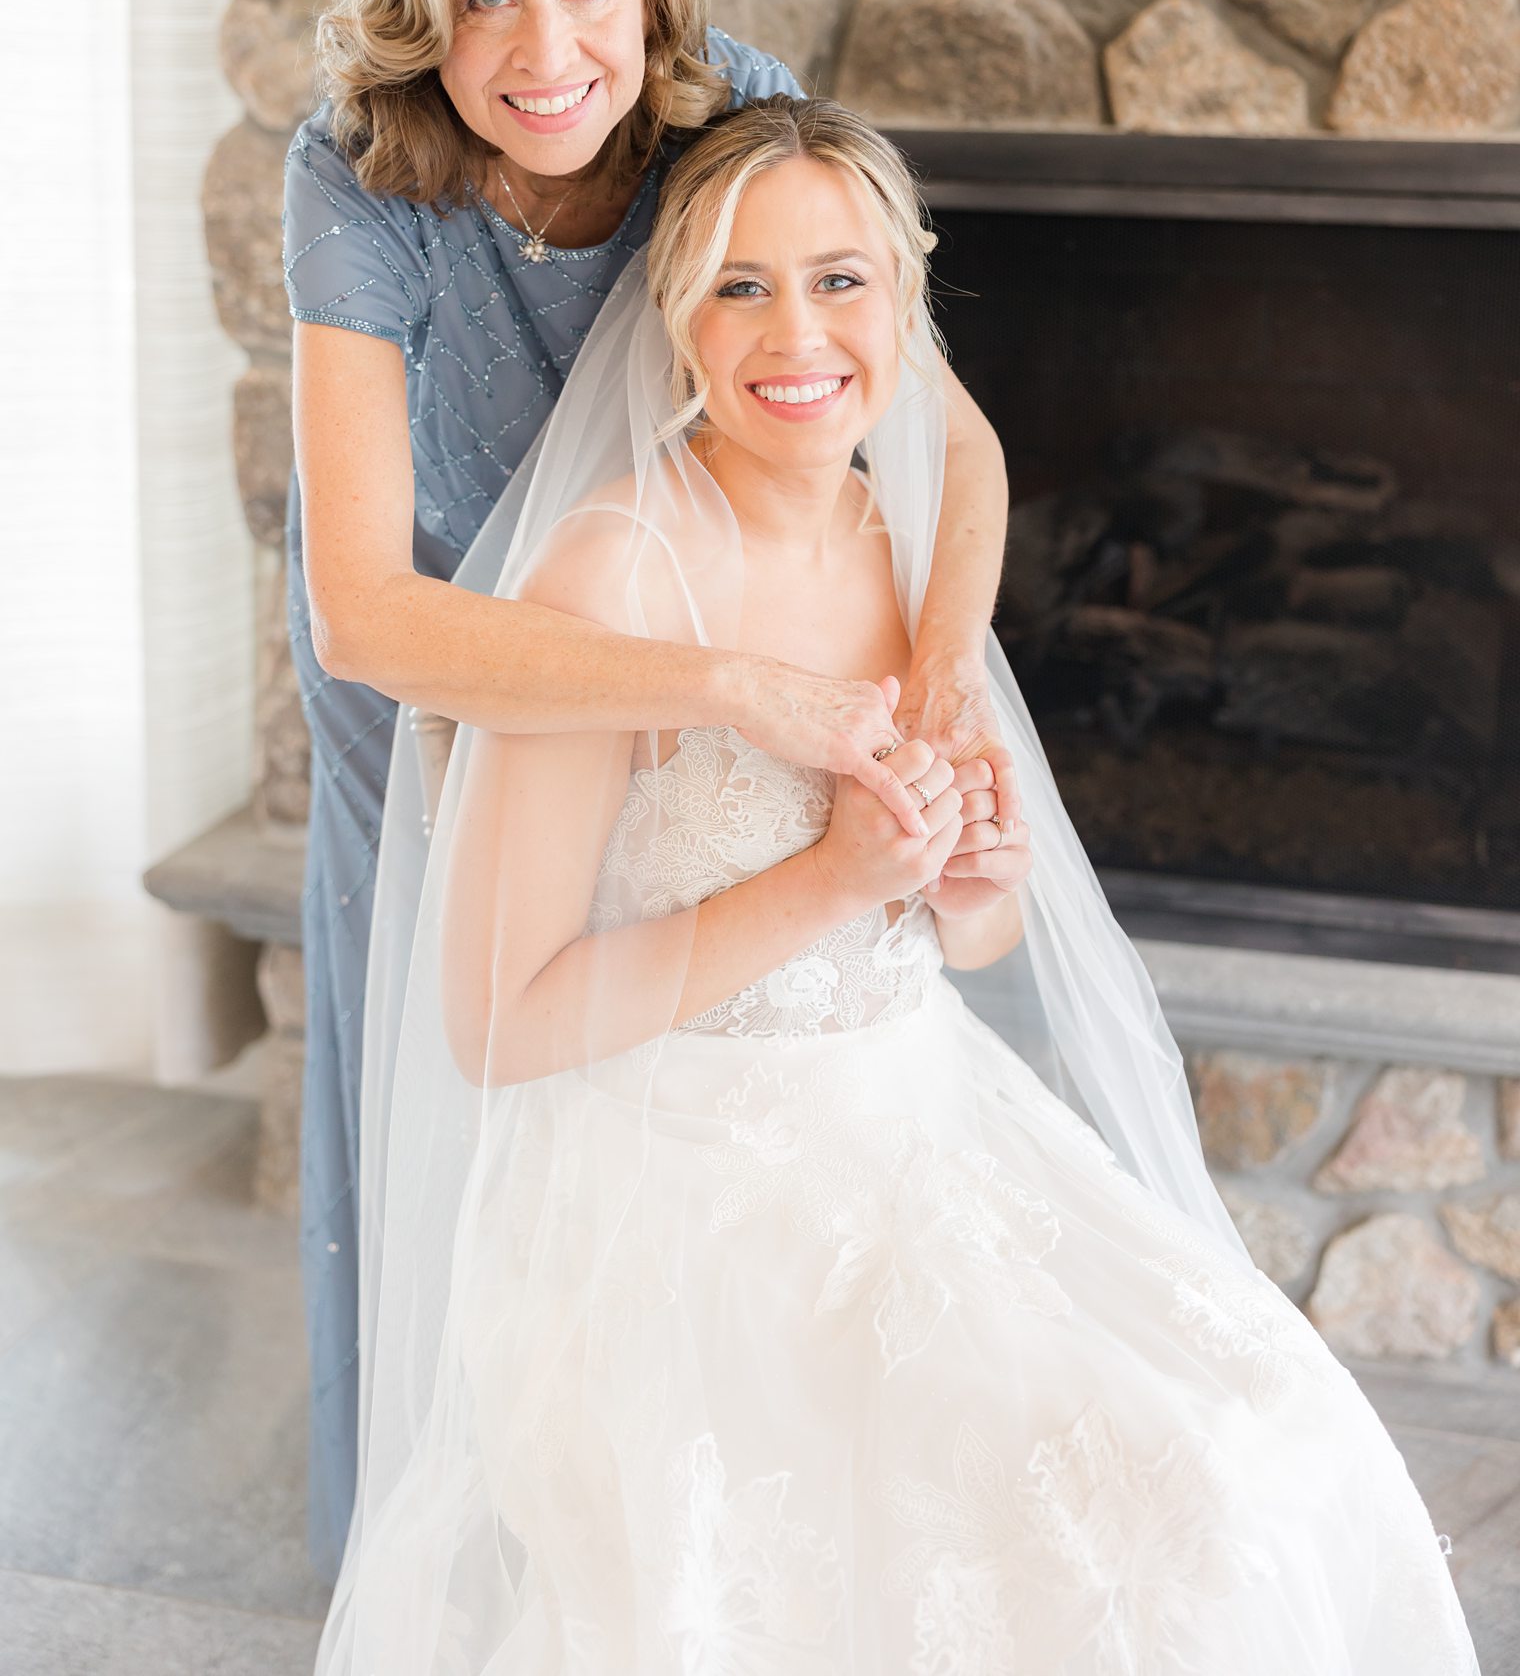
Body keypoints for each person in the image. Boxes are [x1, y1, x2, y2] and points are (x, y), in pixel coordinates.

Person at [316, 98, 1478, 1674]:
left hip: (915, 1126)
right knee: (1050, 1523)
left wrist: (968, 875)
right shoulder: (616, 574)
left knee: (1267, 1446)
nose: (796, 331)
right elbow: (498, 1022)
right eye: (740, 284)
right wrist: (832, 878)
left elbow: (964, 930)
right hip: (681, 1200)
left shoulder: (907, 544)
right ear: (675, 317)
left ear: (908, 306)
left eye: (840, 280)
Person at [283, 0, 1015, 1574]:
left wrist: (927, 682)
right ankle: (463, 1566)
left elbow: (958, 450)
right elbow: (366, 610)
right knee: (449, 1156)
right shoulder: (357, 171)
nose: (548, 47)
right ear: (423, 12)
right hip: (463, 693)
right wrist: (732, 688)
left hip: (736, 647)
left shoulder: (733, 116)